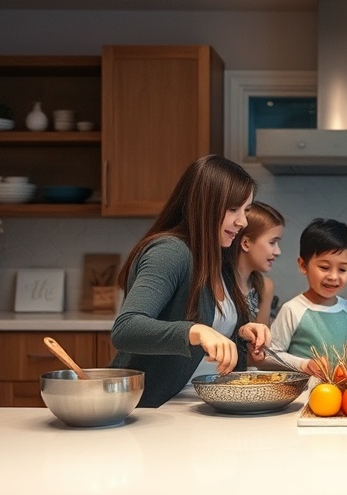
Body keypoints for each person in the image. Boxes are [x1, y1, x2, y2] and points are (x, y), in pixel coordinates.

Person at [110, 155, 271, 408]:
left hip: (202, 407)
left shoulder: (218, 258)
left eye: (246, 210)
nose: (243, 221)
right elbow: (126, 330)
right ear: (205, 205)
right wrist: (195, 331)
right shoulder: (170, 252)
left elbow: (210, 339)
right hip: (157, 411)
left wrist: (243, 335)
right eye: (233, 209)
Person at [269, 218, 347, 378]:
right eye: (324, 267)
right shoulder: (292, 309)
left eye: (342, 269)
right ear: (303, 265)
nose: (333, 276)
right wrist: (304, 365)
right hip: (305, 395)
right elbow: (270, 355)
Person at [236, 201, 285, 326]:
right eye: (272, 242)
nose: (278, 252)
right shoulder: (217, 282)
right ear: (246, 243)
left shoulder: (265, 286)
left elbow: (261, 341)